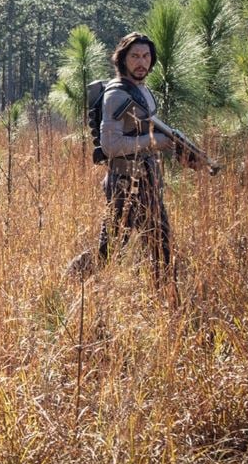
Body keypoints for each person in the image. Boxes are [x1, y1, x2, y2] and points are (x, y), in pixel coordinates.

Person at [76, 32, 199, 288]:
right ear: (123, 60)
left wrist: (177, 148)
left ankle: (164, 297)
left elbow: (144, 132)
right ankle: (79, 282)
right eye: (134, 56)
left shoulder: (142, 90)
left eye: (145, 56)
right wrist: (155, 142)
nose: (141, 62)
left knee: (159, 245)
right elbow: (111, 146)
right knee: (111, 249)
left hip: (148, 180)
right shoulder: (116, 95)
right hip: (124, 183)